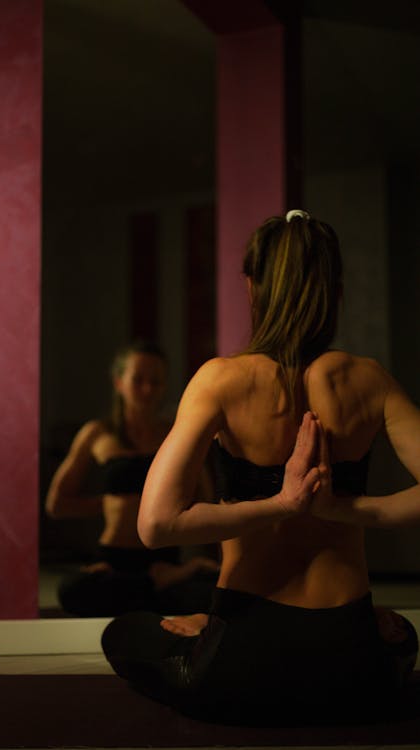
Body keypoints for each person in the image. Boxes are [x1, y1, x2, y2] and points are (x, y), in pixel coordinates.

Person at [101, 211, 419, 724]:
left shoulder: (220, 381)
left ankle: (213, 630)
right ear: (335, 289)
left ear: (253, 287)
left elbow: (155, 524)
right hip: (351, 664)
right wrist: (340, 509)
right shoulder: (368, 380)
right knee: (403, 635)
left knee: (124, 632)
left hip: (241, 660)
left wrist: (280, 504)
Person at [46, 339, 218, 617]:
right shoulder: (97, 434)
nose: (148, 389)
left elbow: (204, 498)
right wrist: (109, 504)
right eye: (138, 380)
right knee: (72, 589)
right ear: (119, 382)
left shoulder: (175, 433)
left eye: (156, 381)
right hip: (114, 561)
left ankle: (158, 583)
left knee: (210, 590)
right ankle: (153, 585)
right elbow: (57, 503)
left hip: (163, 558)